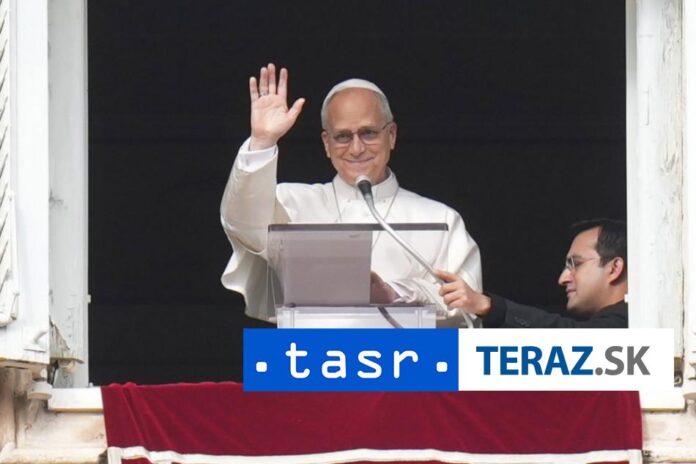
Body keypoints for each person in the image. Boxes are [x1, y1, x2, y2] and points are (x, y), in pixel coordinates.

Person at [220, 63, 482, 323]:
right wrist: (262, 142)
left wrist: (394, 293)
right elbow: (244, 223)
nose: (356, 149)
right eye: (343, 136)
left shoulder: (440, 218)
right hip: (309, 349)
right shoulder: (291, 202)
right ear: (327, 143)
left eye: (368, 133)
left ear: (391, 135)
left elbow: (466, 309)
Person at [436, 219, 628, 328]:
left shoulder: (635, 322)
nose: (562, 279)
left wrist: (487, 305)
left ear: (614, 268)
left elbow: (581, 342)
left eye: (575, 264)